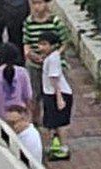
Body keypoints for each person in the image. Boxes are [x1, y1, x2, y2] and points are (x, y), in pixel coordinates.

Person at [22, 0, 69, 124]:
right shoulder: (29, 22)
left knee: (52, 93)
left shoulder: (55, 22)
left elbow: (64, 43)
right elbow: (26, 42)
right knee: (34, 94)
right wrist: (30, 54)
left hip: (53, 66)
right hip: (34, 64)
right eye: (34, 3)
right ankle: (34, 120)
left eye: (40, 3)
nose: (37, 7)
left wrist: (53, 56)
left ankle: (52, 121)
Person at [38, 30, 72, 161]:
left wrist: (59, 98)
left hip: (56, 94)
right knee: (53, 122)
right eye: (40, 44)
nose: (41, 47)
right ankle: (56, 145)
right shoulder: (53, 56)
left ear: (52, 46)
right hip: (50, 93)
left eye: (44, 44)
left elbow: (54, 79)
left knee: (60, 122)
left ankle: (63, 147)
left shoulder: (53, 59)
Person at [0, 42, 32, 120]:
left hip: (1, 117)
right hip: (19, 116)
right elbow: (28, 97)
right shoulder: (23, 72)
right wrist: (28, 115)